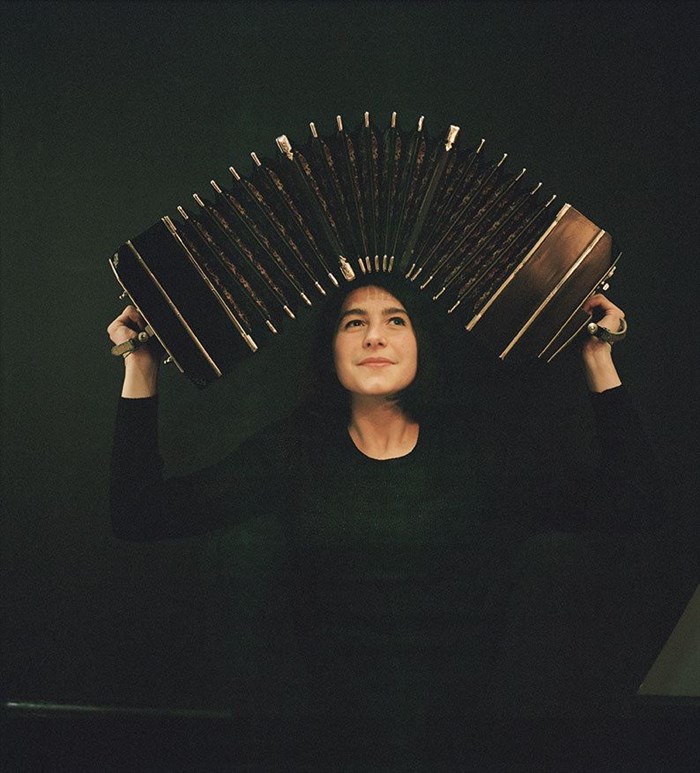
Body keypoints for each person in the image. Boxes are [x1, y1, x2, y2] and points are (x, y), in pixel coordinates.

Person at [107, 277, 659, 760]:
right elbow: (140, 515)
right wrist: (141, 365)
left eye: (396, 320)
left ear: (421, 344)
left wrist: (598, 358)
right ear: (331, 349)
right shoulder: (295, 451)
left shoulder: (481, 451)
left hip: (467, 742)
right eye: (354, 323)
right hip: (322, 743)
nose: (374, 336)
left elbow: (633, 504)